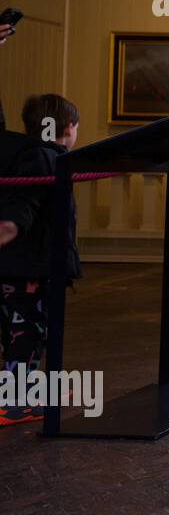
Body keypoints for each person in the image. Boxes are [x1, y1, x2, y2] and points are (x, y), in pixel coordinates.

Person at [0, 94, 81, 425]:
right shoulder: (44, 157)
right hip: (26, 270)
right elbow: (13, 220)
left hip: (20, 268)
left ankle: (25, 390)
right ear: (69, 128)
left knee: (21, 333)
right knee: (27, 335)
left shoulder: (31, 154)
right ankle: (13, 404)